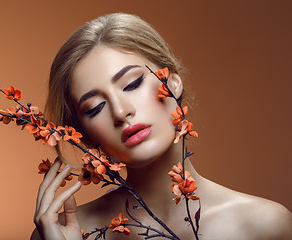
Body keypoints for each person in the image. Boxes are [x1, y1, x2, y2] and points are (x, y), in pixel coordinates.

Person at [30, 13, 292, 240]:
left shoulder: (264, 226)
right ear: (84, 134)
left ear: (173, 83)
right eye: (95, 108)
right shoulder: (65, 233)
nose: (121, 112)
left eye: (132, 84)